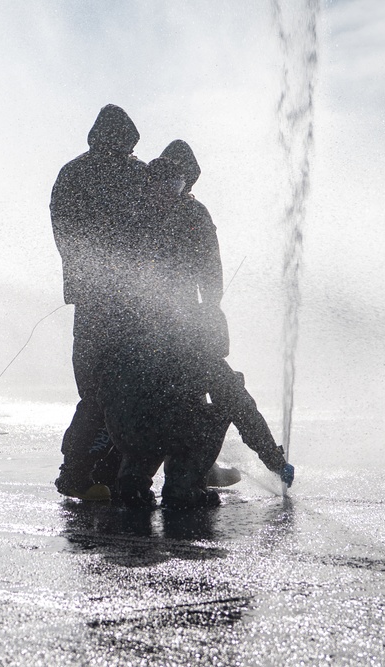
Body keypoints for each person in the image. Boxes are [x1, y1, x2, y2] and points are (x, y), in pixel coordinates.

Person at [100, 147, 294, 509]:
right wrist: (276, 461)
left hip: (128, 430)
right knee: (222, 397)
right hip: (163, 418)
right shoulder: (191, 213)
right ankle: (183, 484)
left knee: (139, 399)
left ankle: (132, 479)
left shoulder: (131, 212)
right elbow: (243, 409)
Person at [50, 104, 149, 501]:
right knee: (124, 388)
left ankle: (84, 472)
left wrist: (81, 277)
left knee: (94, 389)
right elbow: (156, 231)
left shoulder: (71, 173)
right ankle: (92, 473)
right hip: (131, 304)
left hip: (90, 302)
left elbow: (64, 234)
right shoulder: (135, 174)